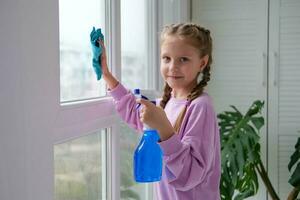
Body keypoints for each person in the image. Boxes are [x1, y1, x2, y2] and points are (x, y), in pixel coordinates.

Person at [91, 23, 221, 200]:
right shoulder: (165, 104)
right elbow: (134, 111)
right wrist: (106, 74)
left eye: (183, 59)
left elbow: (190, 174)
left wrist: (164, 128)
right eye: (166, 58)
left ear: (202, 63)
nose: (173, 67)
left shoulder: (201, 106)